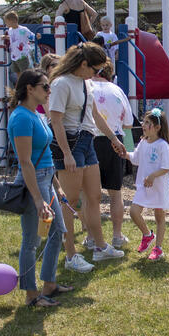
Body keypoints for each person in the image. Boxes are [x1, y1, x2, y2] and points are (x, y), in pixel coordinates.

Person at [49, 42, 126, 265]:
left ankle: (100, 246)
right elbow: (56, 121)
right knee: (70, 201)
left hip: (87, 141)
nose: (97, 74)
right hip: (70, 144)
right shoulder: (61, 84)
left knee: (94, 196)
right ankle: (70, 254)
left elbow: (95, 115)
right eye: (95, 69)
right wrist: (66, 154)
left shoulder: (86, 83)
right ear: (84, 64)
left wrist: (113, 139)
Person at [7, 69, 75, 306]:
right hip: (32, 183)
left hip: (46, 180)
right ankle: (31, 295)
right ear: (29, 89)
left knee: (58, 231)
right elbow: (25, 162)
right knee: (31, 241)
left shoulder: (35, 114)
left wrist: (57, 186)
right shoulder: (21, 118)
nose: (49, 91)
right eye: (45, 87)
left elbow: (45, 155)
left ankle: (49, 284)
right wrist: (38, 199)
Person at [88, 57, 134, 256]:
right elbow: (129, 123)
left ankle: (91, 237)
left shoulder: (85, 87)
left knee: (90, 195)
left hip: (89, 140)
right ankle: (117, 235)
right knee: (115, 192)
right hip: (114, 141)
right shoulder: (117, 90)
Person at [126, 108, 169, 261]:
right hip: (143, 186)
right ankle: (147, 235)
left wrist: (153, 176)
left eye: (147, 123)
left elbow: (166, 167)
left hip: (158, 187)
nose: (143, 125)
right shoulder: (143, 142)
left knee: (159, 217)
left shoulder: (163, 146)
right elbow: (136, 159)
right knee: (134, 212)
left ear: (157, 127)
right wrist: (124, 154)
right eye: (144, 122)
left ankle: (158, 248)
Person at [4, 10, 39, 83]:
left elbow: (32, 36)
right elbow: (13, 39)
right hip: (14, 55)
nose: (6, 23)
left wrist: (37, 36)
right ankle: (20, 85)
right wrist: (5, 37)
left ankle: (27, 84)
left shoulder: (23, 29)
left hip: (23, 55)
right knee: (17, 72)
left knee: (25, 72)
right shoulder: (10, 30)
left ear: (12, 21)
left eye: (7, 21)